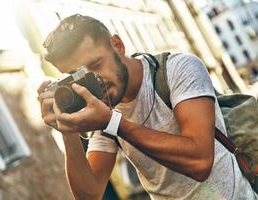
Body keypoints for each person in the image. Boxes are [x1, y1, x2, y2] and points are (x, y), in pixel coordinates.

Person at [38, 14, 258, 200]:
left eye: (96, 66)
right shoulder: (103, 108)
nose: (95, 81)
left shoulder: (176, 70)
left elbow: (200, 161)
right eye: (79, 77)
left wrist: (113, 123)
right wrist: (66, 129)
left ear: (118, 45)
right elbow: (90, 194)